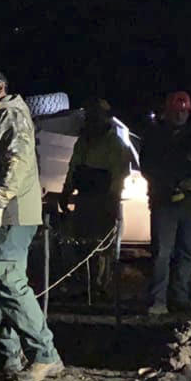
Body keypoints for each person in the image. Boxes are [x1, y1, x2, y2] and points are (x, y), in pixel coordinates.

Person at [0, 66, 64, 381]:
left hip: (13, 210)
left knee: (5, 275)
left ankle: (44, 354)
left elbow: (18, 160)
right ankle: (4, 357)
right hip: (4, 208)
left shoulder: (9, 115)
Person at [141, 91, 191, 314]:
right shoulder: (155, 136)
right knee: (162, 252)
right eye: (177, 111)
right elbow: (148, 167)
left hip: (190, 203)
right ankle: (158, 301)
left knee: (187, 251)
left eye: (184, 112)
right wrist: (173, 184)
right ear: (168, 112)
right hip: (164, 202)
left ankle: (180, 297)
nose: (181, 115)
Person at [58, 98, 132, 297]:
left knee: (101, 247)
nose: (91, 121)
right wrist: (66, 192)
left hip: (104, 199)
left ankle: (100, 287)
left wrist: (112, 199)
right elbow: (73, 168)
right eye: (90, 116)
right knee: (81, 243)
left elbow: (119, 174)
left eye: (96, 116)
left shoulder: (115, 144)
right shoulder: (83, 141)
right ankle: (84, 285)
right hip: (84, 199)